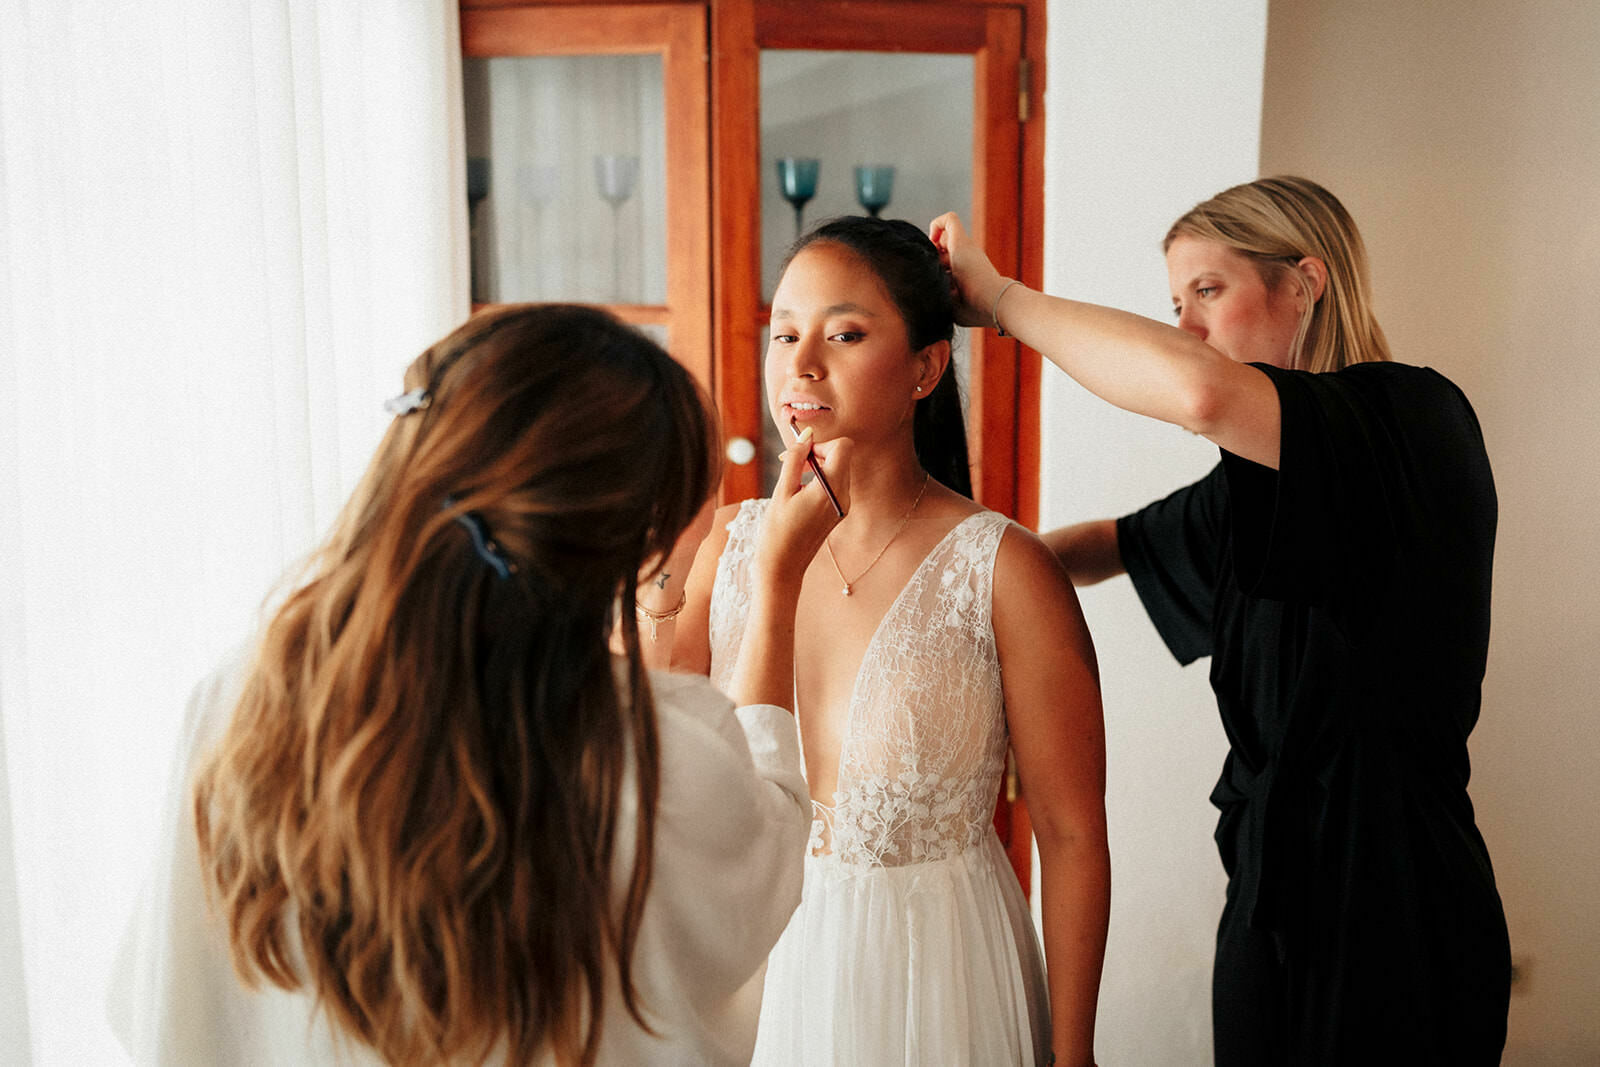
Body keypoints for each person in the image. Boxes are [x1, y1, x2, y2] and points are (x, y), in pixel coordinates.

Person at [108, 304, 845, 1065]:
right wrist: (777, 583)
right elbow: (769, 852)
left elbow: (162, 1004)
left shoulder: (241, 698)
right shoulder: (649, 754)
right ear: (633, 531)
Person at [934, 176, 1511, 1063]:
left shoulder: (1411, 420)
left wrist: (1002, 299)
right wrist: (943, 577)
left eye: (1208, 290)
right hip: (1267, 900)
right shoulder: (1249, 491)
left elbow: (1200, 394)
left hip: (1397, 903)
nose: (1187, 328)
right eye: (1177, 303)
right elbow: (1107, 545)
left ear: (1304, 283)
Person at [661, 216, 1110, 1067]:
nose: (801, 363)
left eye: (844, 334)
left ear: (926, 369)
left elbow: (1071, 832)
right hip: (758, 978)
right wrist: (666, 567)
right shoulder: (724, 547)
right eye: (784, 333)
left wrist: (1074, 1053)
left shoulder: (1006, 570)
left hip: (939, 980)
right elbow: (653, 744)